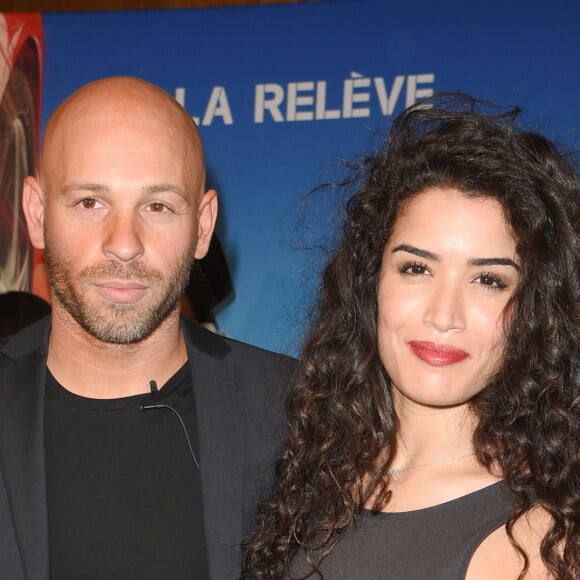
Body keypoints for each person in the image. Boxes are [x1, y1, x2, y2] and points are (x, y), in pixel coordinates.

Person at [243, 95, 579, 578]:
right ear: (371, 281)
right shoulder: (309, 480)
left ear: (534, 308)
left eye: (489, 280)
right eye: (417, 268)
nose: (444, 315)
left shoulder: (542, 538)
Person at [0, 76, 293, 580]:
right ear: (36, 213)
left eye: (157, 206)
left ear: (202, 227)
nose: (124, 243)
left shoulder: (298, 412)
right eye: (90, 201)